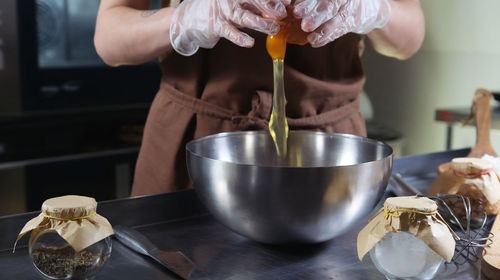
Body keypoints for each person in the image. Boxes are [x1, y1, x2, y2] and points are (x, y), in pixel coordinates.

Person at [95, 0, 425, 196]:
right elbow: (110, 38)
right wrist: (184, 20)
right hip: (192, 142)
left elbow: (409, 37)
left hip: (331, 151)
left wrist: (373, 9)